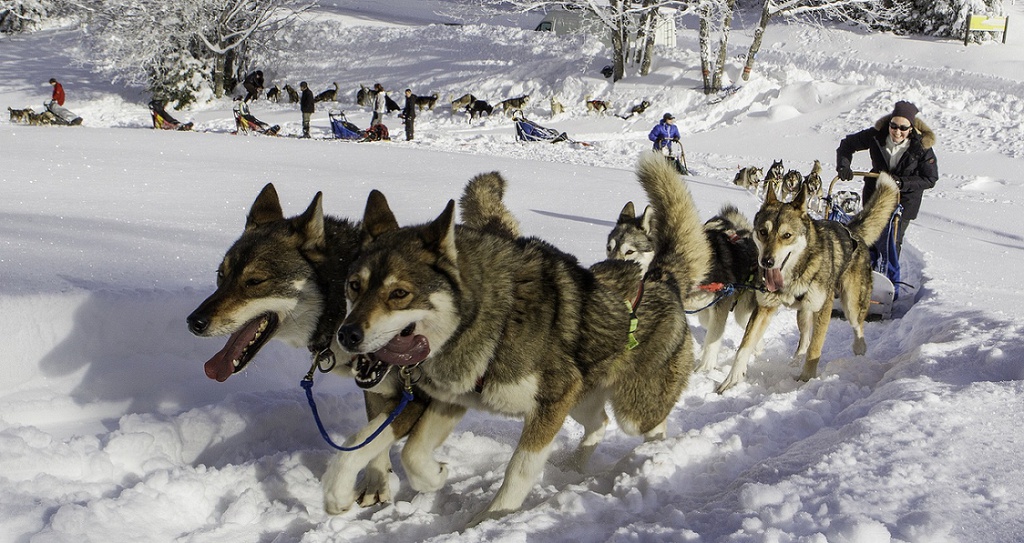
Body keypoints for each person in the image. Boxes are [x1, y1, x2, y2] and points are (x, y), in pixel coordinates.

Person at [835, 100, 938, 254]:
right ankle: (867, 270)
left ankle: (891, 275)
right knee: (869, 236)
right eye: (894, 126)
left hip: (904, 200)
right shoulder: (877, 135)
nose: (897, 132)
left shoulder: (921, 146)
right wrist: (844, 166)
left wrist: (901, 183)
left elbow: (930, 178)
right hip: (876, 195)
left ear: (911, 128)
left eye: (903, 128)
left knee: (892, 241)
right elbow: (847, 144)